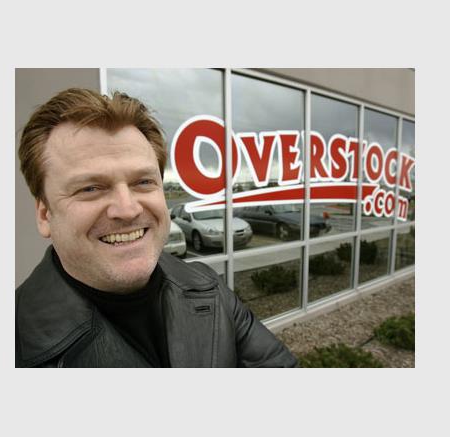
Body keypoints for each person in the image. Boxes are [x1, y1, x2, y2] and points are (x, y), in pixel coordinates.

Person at [16, 88, 297, 368]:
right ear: (44, 215)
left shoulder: (208, 286)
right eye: (90, 188)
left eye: (143, 182)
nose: (128, 209)